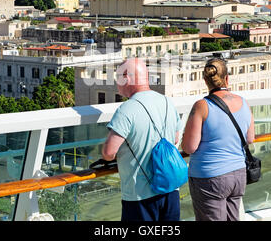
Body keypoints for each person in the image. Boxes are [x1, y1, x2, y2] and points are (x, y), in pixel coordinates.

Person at [102, 58, 183, 221]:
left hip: (139, 195)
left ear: (127, 77)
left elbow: (109, 153)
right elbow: (174, 139)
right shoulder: (167, 101)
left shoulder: (126, 109)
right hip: (170, 189)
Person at [181, 58, 255, 221]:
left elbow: (189, 147)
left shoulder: (202, 106)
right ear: (227, 78)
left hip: (210, 177)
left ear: (205, 81)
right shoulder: (243, 102)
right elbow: (250, 138)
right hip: (238, 174)